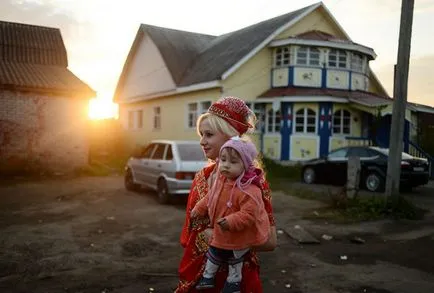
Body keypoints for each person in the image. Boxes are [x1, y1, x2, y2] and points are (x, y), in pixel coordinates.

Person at [175, 96, 277, 293]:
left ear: (231, 138)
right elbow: (189, 235)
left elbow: (270, 241)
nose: (202, 142)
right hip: (196, 278)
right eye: (201, 135)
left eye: (209, 135)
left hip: (235, 282)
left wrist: (219, 237)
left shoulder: (253, 183)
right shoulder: (201, 177)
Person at [190, 137, 271, 293]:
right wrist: (199, 209)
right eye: (223, 160)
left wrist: (231, 221)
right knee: (214, 253)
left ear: (246, 165)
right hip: (223, 232)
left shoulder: (249, 190)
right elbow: (210, 197)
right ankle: (208, 278)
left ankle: (233, 284)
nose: (226, 165)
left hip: (239, 234)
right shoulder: (221, 181)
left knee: (235, 259)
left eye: (233, 162)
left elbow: (249, 214)